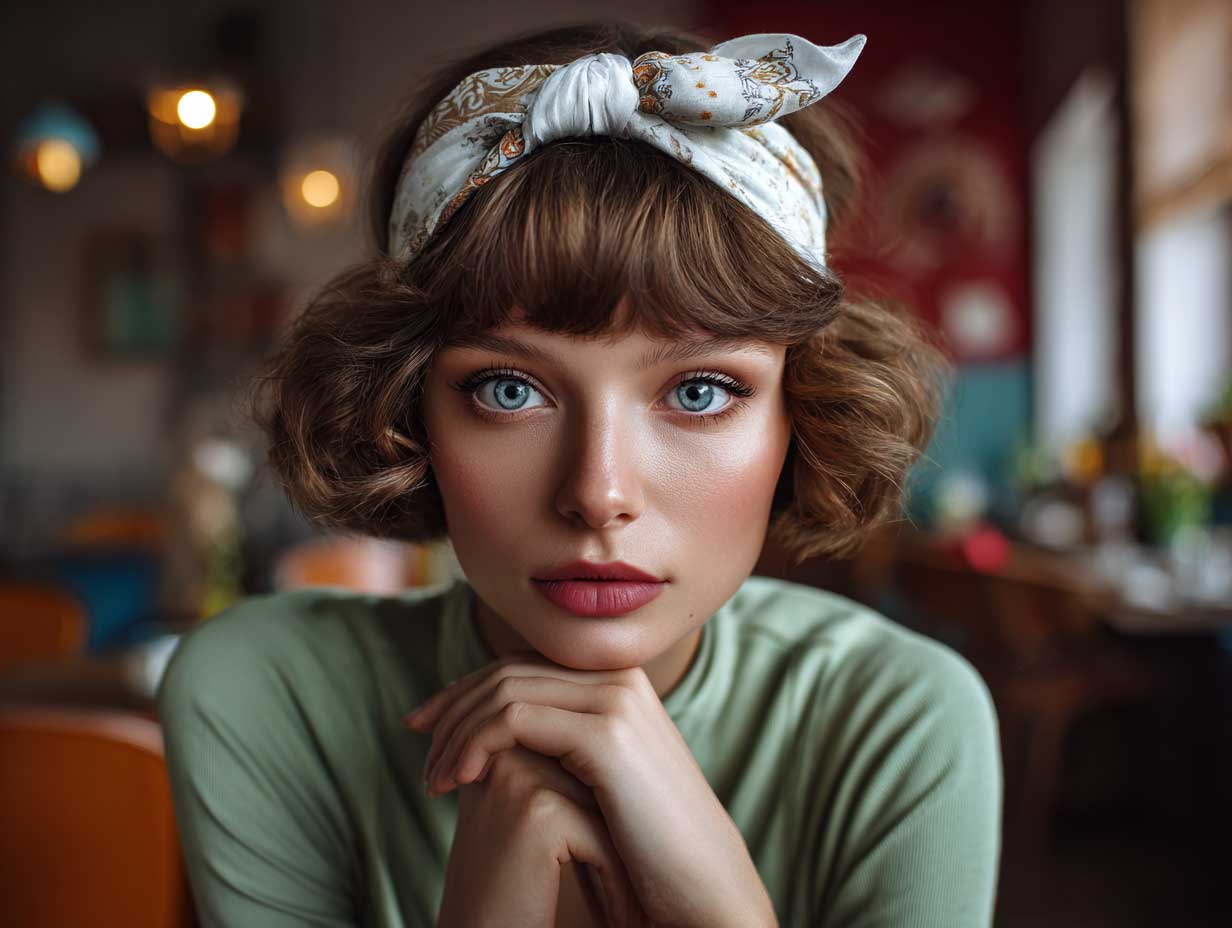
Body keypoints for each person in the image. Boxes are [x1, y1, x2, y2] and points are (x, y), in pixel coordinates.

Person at [157, 19, 1003, 928]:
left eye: (703, 390)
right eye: (511, 389)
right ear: (408, 414)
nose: (599, 494)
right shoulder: (264, 696)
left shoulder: (900, 719)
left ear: (804, 413)